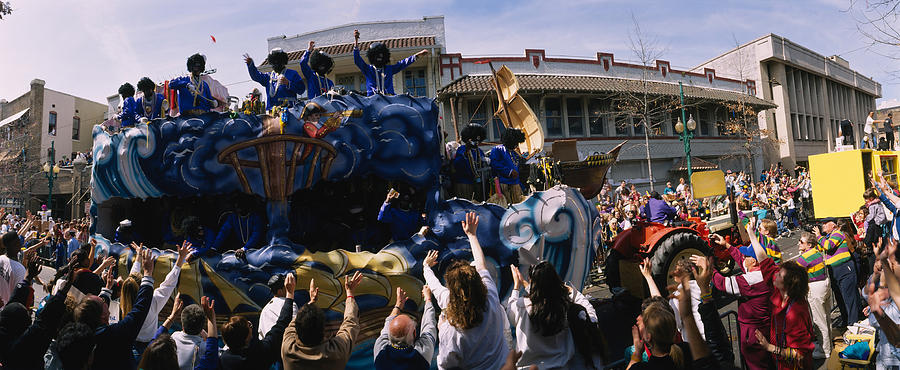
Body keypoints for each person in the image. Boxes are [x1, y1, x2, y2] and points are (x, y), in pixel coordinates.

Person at [423, 212, 508, 370]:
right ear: (478, 281)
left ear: (452, 289)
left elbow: (446, 365)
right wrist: (472, 235)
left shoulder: (450, 328)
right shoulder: (490, 295)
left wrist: (425, 267)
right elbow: (482, 266)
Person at [507, 260, 603, 369]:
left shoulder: (520, 306)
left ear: (532, 281)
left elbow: (511, 311)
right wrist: (569, 290)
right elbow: (589, 312)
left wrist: (516, 285)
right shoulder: (563, 305)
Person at [74, 249, 155, 369]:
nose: (105, 302)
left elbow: (99, 303)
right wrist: (148, 274)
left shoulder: (80, 336)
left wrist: (107, 288)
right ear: (102, 315)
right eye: (103, 304)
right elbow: (139, 310)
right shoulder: (114, 335)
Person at [747, 231, 815, 370]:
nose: (775, 274)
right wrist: (752, 235)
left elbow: (799, 354)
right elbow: (765, 262)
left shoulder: (796, 312)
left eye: (779, 274)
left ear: (788, 285)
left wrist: (769, 347)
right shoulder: (781, 290)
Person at [709, 233, 774, 370]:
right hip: (764, 326)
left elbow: (723, 284)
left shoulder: (751, 281)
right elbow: (741, 260)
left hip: (753, 332)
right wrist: (726, 245)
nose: (744, 258)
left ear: (755, 261)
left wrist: (709, 268)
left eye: (747, 256)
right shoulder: (764, 271)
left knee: (757, 365)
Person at [282, 271, 363, 369]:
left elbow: (292, 325)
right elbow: (351, 322)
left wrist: (311, 302)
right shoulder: (336, 352)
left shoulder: (288, 349)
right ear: (323, 330)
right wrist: (349, 294)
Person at [221, 272, 296, 369]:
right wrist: (290, 295)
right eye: (248, 326)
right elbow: (282, 325)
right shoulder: (258, 355)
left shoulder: (224, 360)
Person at [123, 242, 189, 353]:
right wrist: (181, 258)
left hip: (127, 344)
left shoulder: (125, 297)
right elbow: (169, 283)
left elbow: (132, 280)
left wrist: (139, 257)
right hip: (147, 348)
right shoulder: (152, 302)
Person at [373, 286, 437, 369]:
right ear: (414, 333)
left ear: (389, 334)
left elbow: (388, 323)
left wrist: (398, 305)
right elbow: (429, 324)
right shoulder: (421, 354)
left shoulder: (380, 352)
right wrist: (428, 298)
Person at [815, 217, 862, 327]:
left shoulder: (837, 233)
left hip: (844, 269)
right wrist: (816, 239)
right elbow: (820, 247)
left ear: (833, 225)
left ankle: (853, 324)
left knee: (849, 298)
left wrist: (818, 236)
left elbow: (828, 245)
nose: (823, 226)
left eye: (826, 224)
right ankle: (846, 321)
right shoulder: (827, 237)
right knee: (840, 298)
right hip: (834, 270)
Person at [353, 29, 429, 95]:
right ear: (371, 56)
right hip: (372, 101)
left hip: (389, 100)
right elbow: (357, 60)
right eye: (376, 55)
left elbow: (403, 63)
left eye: (381, 55)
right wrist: (356, 41)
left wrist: (417, 55)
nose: (379, 57)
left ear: (385, 56)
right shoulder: (368, 69)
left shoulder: (389, 69)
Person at [795, 232, 832, 359]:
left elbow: (794, 272)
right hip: (824, 285)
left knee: (819, 321)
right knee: (826, 318)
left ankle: (824, 350)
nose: (798, 243)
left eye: (801, 242)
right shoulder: (816, 252)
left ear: (809, 244)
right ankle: (827, 346)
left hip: (815, 288)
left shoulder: (804, 257)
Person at [452, 123, 488, 201]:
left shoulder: (480, 151)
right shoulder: (462, 149)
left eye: (479, 140)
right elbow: (457, 165)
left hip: (477, 183)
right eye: (475, 140)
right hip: (464, 183)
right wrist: (466, 152)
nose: (477, 142)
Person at [490, 128, 526, 204]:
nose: (516, 145)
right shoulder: (497, 149)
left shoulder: (515, 153)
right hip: (503, 184)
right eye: (515, 142)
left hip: (516, 184)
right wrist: (509, 172)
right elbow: (494, 164)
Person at [258, 273, 299, 339]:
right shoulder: (290, 304)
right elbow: (296, 328)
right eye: (286, 287)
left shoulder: (265, 309)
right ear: (280, 291)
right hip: (285, 346)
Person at [0, 231, 27, 304]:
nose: (20, 243)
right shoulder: (19, 269)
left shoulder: (1, 258)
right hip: (8, 311)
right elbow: (20, 296)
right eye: (18, 240)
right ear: (14, 244)